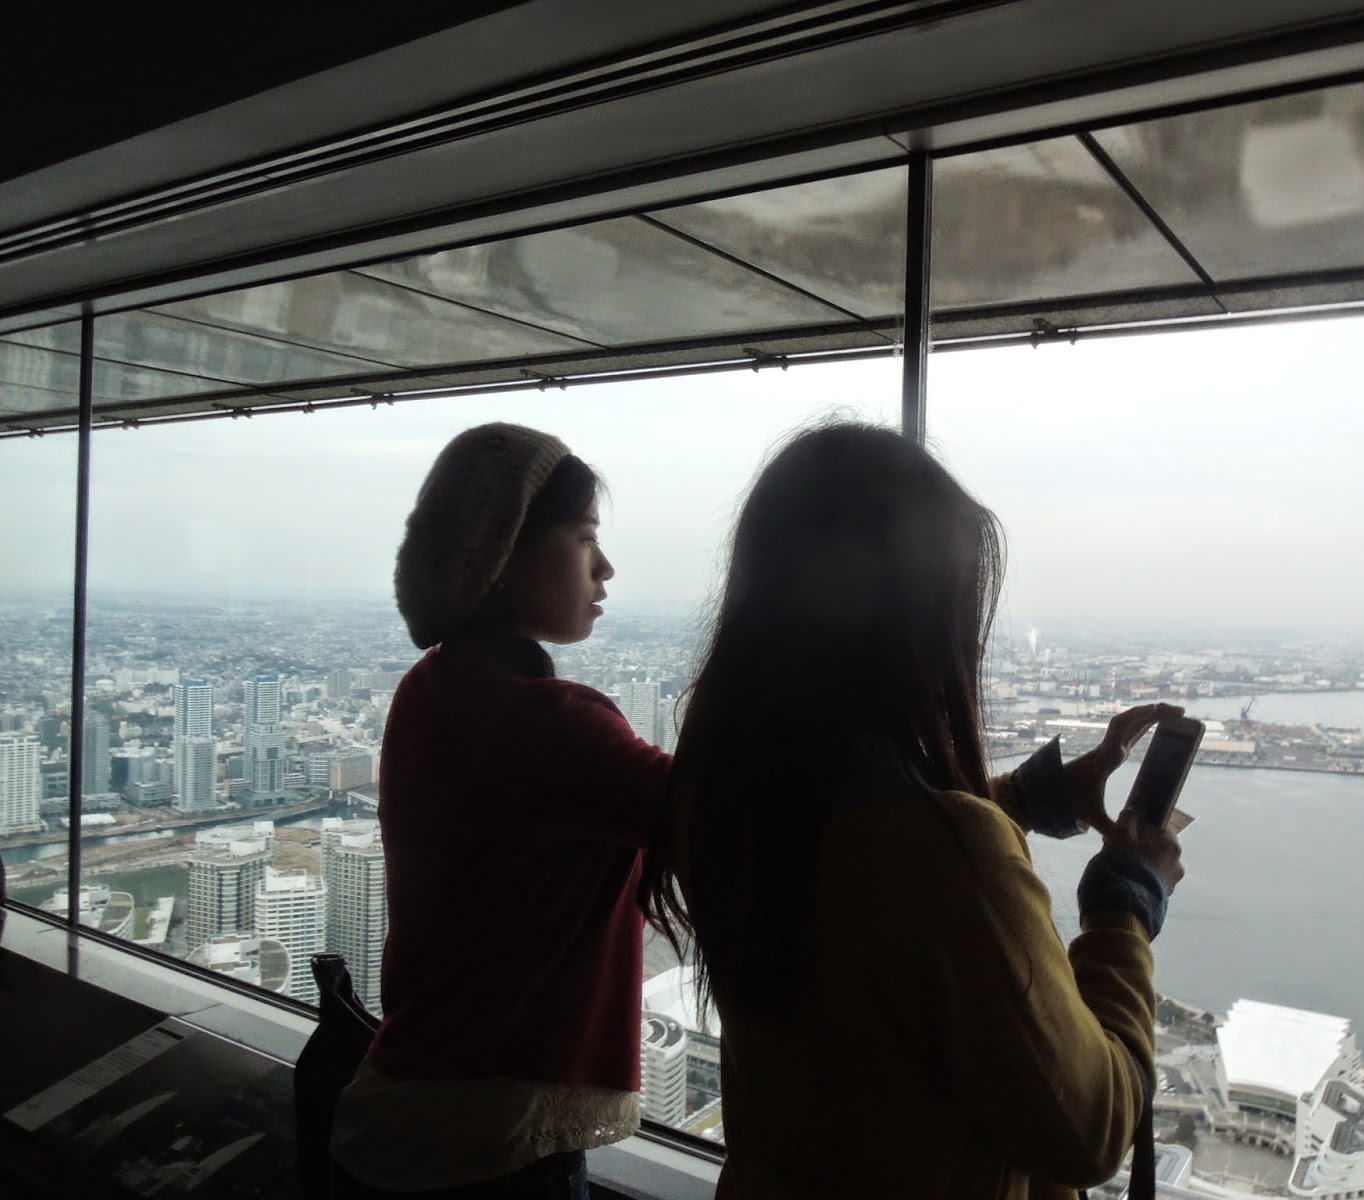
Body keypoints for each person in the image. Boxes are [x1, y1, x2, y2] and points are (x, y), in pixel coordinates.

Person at [641, 423, 1186, 1200]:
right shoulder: (945, 854)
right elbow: (1091, 1125)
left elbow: (863, 857)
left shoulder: (718, 794)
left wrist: (1031, 797)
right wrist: (1125, 902)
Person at [330, 423, 672, 1200]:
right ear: (505, 557)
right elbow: (737, 809)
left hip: (399, 1106)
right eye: (585, 538)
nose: (605, 567)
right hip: (493, 1150)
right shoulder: (546, 722)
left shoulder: (433, 686)